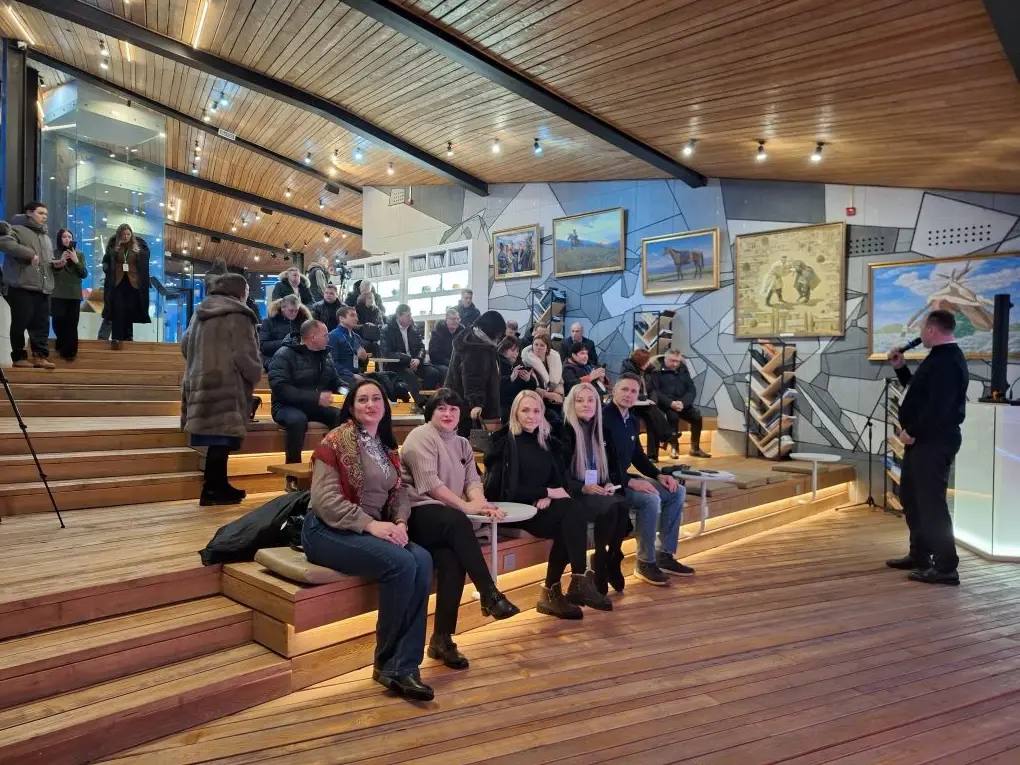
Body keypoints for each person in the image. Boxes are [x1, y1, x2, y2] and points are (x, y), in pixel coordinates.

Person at [302, 379, 434, 701]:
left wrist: (399, 522)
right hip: (326, 530)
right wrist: (372, 526)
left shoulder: (386, 447)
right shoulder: (336, 441)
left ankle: (407, 665)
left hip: (368, 528)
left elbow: (399, 492)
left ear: (385, 406)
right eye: (363, 400)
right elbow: (324, 501)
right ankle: (388, 664)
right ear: (351, 407)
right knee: (402, 563)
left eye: (376, 399)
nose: (370, 405)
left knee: (422, 559)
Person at [400, 388, 519, 668]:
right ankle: (489, 593)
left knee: (453, 560)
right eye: (441, 408)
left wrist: (480, 503)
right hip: (417, 513)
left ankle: (442, 639)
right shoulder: (420, 436)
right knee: (458, 521)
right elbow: (430, 485)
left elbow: (472, 481)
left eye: (453, 409)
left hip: (448, 519)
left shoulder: (462, 443)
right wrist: (466, 508)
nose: (448, 413)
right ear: (431, 412)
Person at [484, 390, 611, 617]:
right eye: (525, 410)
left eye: (536, 411)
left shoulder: (547, 441)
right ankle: (571, 583)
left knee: (570, 517)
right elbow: (505, 491)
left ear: (542, 413)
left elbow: (559, 482)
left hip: (542, 508)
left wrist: (548, 495)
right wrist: (545, 492)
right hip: (516, 511)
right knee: (571, 514)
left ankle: (558, 592)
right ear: (515, 412)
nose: (531, 416)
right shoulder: (505, 443)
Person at [885, 310, 969, 586]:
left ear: (932, 330)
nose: (920, 334)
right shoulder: (938, 357)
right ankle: (920, 554)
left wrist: (912, 431)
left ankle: (946, 566)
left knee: (931, 503)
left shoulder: (948, 361)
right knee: (911, 497)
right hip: (923, 440)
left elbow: (939, 408)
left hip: (933, 441)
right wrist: (901, 368)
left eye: (922, 329)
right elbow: (919, 394)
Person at [181, 274, 262, 506]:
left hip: (201, 382)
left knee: (216, 440)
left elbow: (185, 345)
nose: (247, 293)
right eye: (246, 289)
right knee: (222, 439)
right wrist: (255, 374)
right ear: (239, 290)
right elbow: (245, 354)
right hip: (227, 384)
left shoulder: (200, 312)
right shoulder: (239, 315)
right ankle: (212, 490)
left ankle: (218, 485)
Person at [604, 374, 690, 586]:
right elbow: (600, 464)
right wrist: (630, 482)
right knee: (650, 498)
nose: (629, 394)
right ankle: (645, 562)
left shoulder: (632, 420)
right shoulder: (602, 418)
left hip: (625, 479)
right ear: (614, 391)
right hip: (609, 483)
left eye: (634, 391)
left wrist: (658, 475)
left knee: (676, 491)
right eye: (624, 389)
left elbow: (638, 456)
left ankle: (664, 554)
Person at [562, 383, 632, 596]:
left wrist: (608, 482)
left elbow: (610, 467)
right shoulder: (563, 431)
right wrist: (583, 487)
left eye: (590, 400)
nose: (586, 404)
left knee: (622, 504)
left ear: (597, 404)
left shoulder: (602, 430)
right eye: (580, 400)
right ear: (571, 404)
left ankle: (613, 557)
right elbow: (559, 473)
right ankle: (600, 560)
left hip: (597, 489)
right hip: (574, 492)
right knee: (610, 507)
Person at [269, 319, 343, 464]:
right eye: (325, 335)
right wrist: (316, 397)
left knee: (341, 415)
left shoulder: (325, 356)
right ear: (313, 337)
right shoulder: (284, 354)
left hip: (313, 406)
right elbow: (281, 388)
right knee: (298, 420)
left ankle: (332, 464)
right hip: (285, 406)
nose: (328, 339)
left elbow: (336, 383)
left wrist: (350, 392)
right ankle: (293, 470)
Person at [0, 202, 56, 368]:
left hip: (43, 287)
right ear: (29, 213)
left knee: (41, 324)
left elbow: (46, 262)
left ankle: (40, 357)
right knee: (21, 322)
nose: (44, 216)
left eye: (46, 214)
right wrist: (29, 254)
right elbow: (4, 243)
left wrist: (57, 265)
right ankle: (18, 357)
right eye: (40, 213)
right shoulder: (16, 229)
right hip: (21, 286)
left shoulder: (46, 237)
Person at [445, 309, 504, 436]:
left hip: (461, 402)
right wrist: (476, 403)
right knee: (469, 442)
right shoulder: (475, 346)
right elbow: (472, 376)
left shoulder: (473, 338)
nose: (499, 338)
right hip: (468, 408)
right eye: (499, 334)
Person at [652, 349, 711, 459]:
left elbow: (691, 390)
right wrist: (670, 403)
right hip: (666, 405)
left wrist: (683, 403)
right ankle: (674, 447)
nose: (675, 364)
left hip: (682, 403)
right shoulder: (656, 370)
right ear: (665, 359)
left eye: (677, 361)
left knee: (697, 417)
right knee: (673, 416)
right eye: (672, 361)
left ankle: (695, 448)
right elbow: (655, 392)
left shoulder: (683, 370)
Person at [382, 304, 443, 406]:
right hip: (397, 365)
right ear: (399, 316)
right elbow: (386, 353)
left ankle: (428, 401)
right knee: (410, 375)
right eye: (408, 315)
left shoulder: (413, 328)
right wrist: (408, 359)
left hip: (415, 362)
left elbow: (421, 347)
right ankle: (421, 404)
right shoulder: (387, 330)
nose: (410, 318)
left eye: (410, 315)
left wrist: (418, 359)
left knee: (434, 373)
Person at [102, 224, 151, 349]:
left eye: (128, 234)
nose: (126, 236)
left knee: (130, 310)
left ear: (131, 235)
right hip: (117, 282)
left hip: (132, 282)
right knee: (117, 309)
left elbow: (144, 262)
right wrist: (113, 253)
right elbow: (106, 260)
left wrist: (139, 253)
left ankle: (128, 337)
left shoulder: (137, 246)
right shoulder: (114, 246)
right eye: (123, 234)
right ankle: (116, 338)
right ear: (119, 235)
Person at [621, 349, 671, 462]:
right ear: (640, 362)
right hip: (632, 406)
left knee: (652, 418)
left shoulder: (649, 371)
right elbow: (629, 392)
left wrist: (652, 400)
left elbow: (653, 390)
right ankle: (666, 435)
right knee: (653, 412)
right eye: (647, 361)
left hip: (645, 405)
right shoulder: (627, 373)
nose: (649, 363)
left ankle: (652, 456)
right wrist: (644, 398)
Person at [50, 228, 87, 362]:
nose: (67, 239)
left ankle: (70, 352)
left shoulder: (80, 254)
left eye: (69, 237)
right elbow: (51, 272)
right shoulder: (54, 253)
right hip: (57, 293)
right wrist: (61, 261)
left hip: (74, 294)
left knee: (72, 323)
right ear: (60, 239)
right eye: (64, 237)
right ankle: (61, 343)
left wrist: (76, 261)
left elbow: (84, 274)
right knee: (58, 322)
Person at [258, 295, 311, 370]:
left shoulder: (303, 321)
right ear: (282, 308)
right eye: (291, 310)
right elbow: (263, 346)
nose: (294, 313)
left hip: (298, 362)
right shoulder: (269, 322)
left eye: (296, 311)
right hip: (274, 360)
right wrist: (284, 342)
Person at [521, 330, 565, 417]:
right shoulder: (526, 363)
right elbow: (530, 386)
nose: (538, 347)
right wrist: (547, 394)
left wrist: (558, 395)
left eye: (542, 345)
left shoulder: (554, 360)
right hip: (536, 401)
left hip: (554, 400)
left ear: (547, 348)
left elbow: (559, 381)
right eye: (536, 344)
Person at [497, 335, 536, 423]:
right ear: (503, 349)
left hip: (517, 405)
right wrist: (510, 379)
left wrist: (528, 379)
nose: (516, 354)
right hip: (503, 407)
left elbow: (532, 387)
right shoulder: (497, 364)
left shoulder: (517, 365)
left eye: (517, 351)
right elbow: (496, 388)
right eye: (512, 350)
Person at [328, 305, 367, 387]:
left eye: (356, 316)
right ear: (341, 318)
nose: (356, 319)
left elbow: (363, 365)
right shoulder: (333, 336)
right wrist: (352, 375)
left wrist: (364, 358)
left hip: (357, 374)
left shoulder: (357, 337)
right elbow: (332, 363)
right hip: (340, 378)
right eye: (352, 315)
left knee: (379, 381)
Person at [427, 307, 462, 381]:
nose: (456, 321)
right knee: (448, 371)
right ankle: (448, 388)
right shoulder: (438, 332)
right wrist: (451, 363)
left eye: (458, 319)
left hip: (456, 362)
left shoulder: (462, 332)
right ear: (446, 320)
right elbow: (433, 354)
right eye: (453, 319)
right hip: (439, 363)